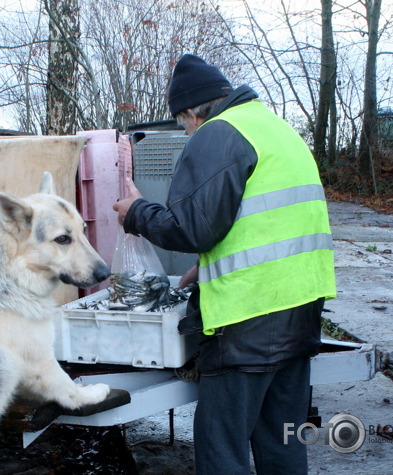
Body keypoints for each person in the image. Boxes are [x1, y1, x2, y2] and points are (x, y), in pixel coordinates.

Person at [113, 54, 336, 474]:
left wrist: (137, 213)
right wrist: (209, 265)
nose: (186, 131)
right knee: (284, 439)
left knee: (222, 448)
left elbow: (191, 229)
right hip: (301, 307)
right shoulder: (273, 127)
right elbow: (260, 221)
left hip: (247, 318)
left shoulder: (218, 133)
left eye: (183, 123)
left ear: (192, 112)